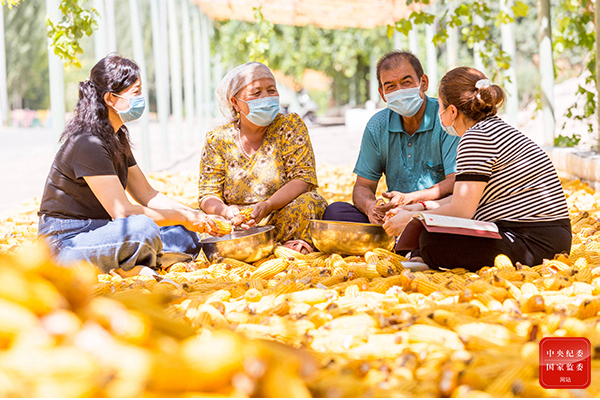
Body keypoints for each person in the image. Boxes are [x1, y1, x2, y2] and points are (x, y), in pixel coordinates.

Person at [37, 54, 219, 276]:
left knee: (185, 235)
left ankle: (129, 263)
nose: (141, 98)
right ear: (110, 99)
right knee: (142, 229)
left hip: (102, 230)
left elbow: (147, 193)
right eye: (136, 92)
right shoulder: (88, 143)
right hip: (65, 241)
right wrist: (184, 218)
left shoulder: (116, 136)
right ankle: (128, 267)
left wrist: (195, 216)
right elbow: (122, 211)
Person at [382, 67, 571, 271]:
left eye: (440, 106)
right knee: (429, 237)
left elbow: (461, 211)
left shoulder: (476, 138)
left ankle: (423, 255)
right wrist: (419, 207)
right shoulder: (492, 129)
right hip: (547, 237)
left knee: (431, 240)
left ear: (452, 111)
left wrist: (411, 220)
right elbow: (468, 198)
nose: (438, 113)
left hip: (534, 241)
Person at [198, 62, 328, 254]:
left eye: (271, 90)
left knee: (310, 202)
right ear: (235, 102)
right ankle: (277, 248)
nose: (266, 98)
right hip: (236, 224)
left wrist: (268, 206)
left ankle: (277, 247)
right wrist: (226, 212)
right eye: (256, 93)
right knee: (203, 221)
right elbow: (207, 195)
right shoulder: (217, 139)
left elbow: (303, 179)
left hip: (279, 213)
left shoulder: (290, 125)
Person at [323, 50, 460, 224]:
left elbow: (455, 181)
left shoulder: (445, 118)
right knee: (336, 212)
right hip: (395, 214)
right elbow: (363, 186)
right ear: (382, 94)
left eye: (406, 82)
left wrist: (412, 199)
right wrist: (371, 207)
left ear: (423, 83)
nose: (400, 91)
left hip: (436, 212)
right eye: (391, 86)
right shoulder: (378, 126)